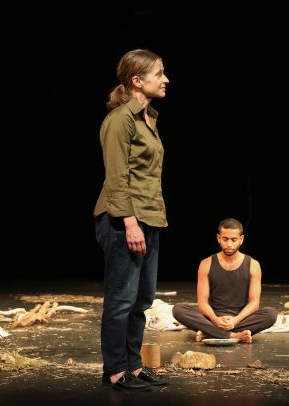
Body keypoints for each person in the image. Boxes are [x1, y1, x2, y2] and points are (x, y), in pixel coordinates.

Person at [94, 49, 170, 391]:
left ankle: (134, 366)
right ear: (137, 81)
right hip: (123, 220)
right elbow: (116, 178)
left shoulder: (148, 118)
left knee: (142, 300)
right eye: (159, 74)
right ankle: (115, 369)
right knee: (121, 299)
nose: (166, 79)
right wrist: (129, 222)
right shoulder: (120, 120)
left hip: (148, 217)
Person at [172, 218, 278, 343]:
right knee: (178, 309)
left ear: (241, 239)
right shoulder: (206, 264)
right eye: (225, 239)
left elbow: (254, 303)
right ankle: (233, 336)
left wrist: (235, 320)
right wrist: (216, 320)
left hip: (240, 319)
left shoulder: (253, 265)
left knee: (271, 314)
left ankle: (210, 333)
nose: (229, 244)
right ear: (218, 238)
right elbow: (202, 302)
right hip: (212, 319)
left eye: (234, 240)